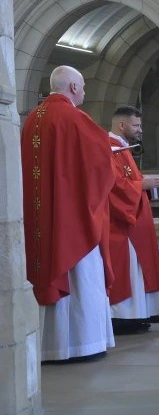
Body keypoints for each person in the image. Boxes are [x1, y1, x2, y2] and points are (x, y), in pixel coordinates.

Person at [21, 66, 115, 362]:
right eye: (83, 86)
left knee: (44, 264)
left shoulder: (32, 119)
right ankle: (81, 344)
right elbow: (98, 163)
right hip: (71, 218)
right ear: (73, 87)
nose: (85, 91)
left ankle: (50, 346)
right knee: (81, 277)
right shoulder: (74, 118)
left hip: (40, 216)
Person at [108, 106, 159, 335]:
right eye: (136, 125)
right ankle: (125, 317)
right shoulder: (110, 148)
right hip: (123, 224)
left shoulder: (123, 149)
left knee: (139, 267)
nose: (140, 130)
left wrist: (145, 184)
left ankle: (139, 315)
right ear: (122, 125)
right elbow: (113, 185)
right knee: (129, 267)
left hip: (136, 220)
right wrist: (141, 185)